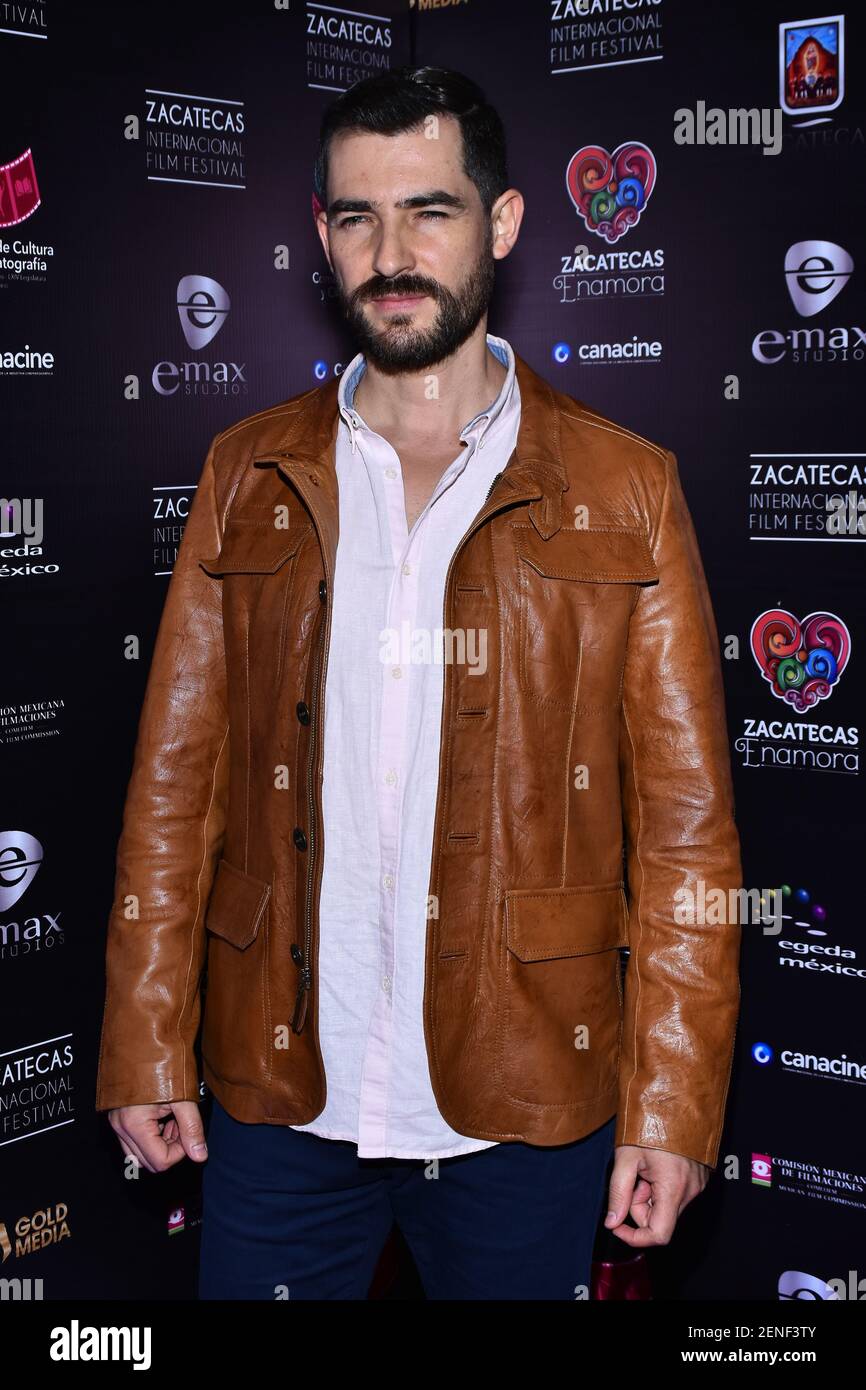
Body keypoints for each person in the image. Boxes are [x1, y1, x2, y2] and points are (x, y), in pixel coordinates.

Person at [96, 66, 743, 1300]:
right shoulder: (246, 470)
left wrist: (670, 1098)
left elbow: (687, 840)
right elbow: (173, 788)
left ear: (499, 224)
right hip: (280, 1094)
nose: (391, 254)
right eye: (356, 217)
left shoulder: (626, 488)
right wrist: (142, 1033)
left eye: (429, 211)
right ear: (320, 235)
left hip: (523, 1105)